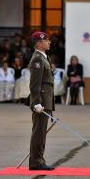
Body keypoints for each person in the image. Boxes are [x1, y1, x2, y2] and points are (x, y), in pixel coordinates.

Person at [25, 31, 55, 171]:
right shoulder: (37, 59)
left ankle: (38, 160)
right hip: (41, 101)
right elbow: (34, 83)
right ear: (39, 43)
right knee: (39, 131)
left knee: (41, 132)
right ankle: (36, 162)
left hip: (46, 99)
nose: (49, 42)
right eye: (46, 40)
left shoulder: (43, 57)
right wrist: (36, 102)